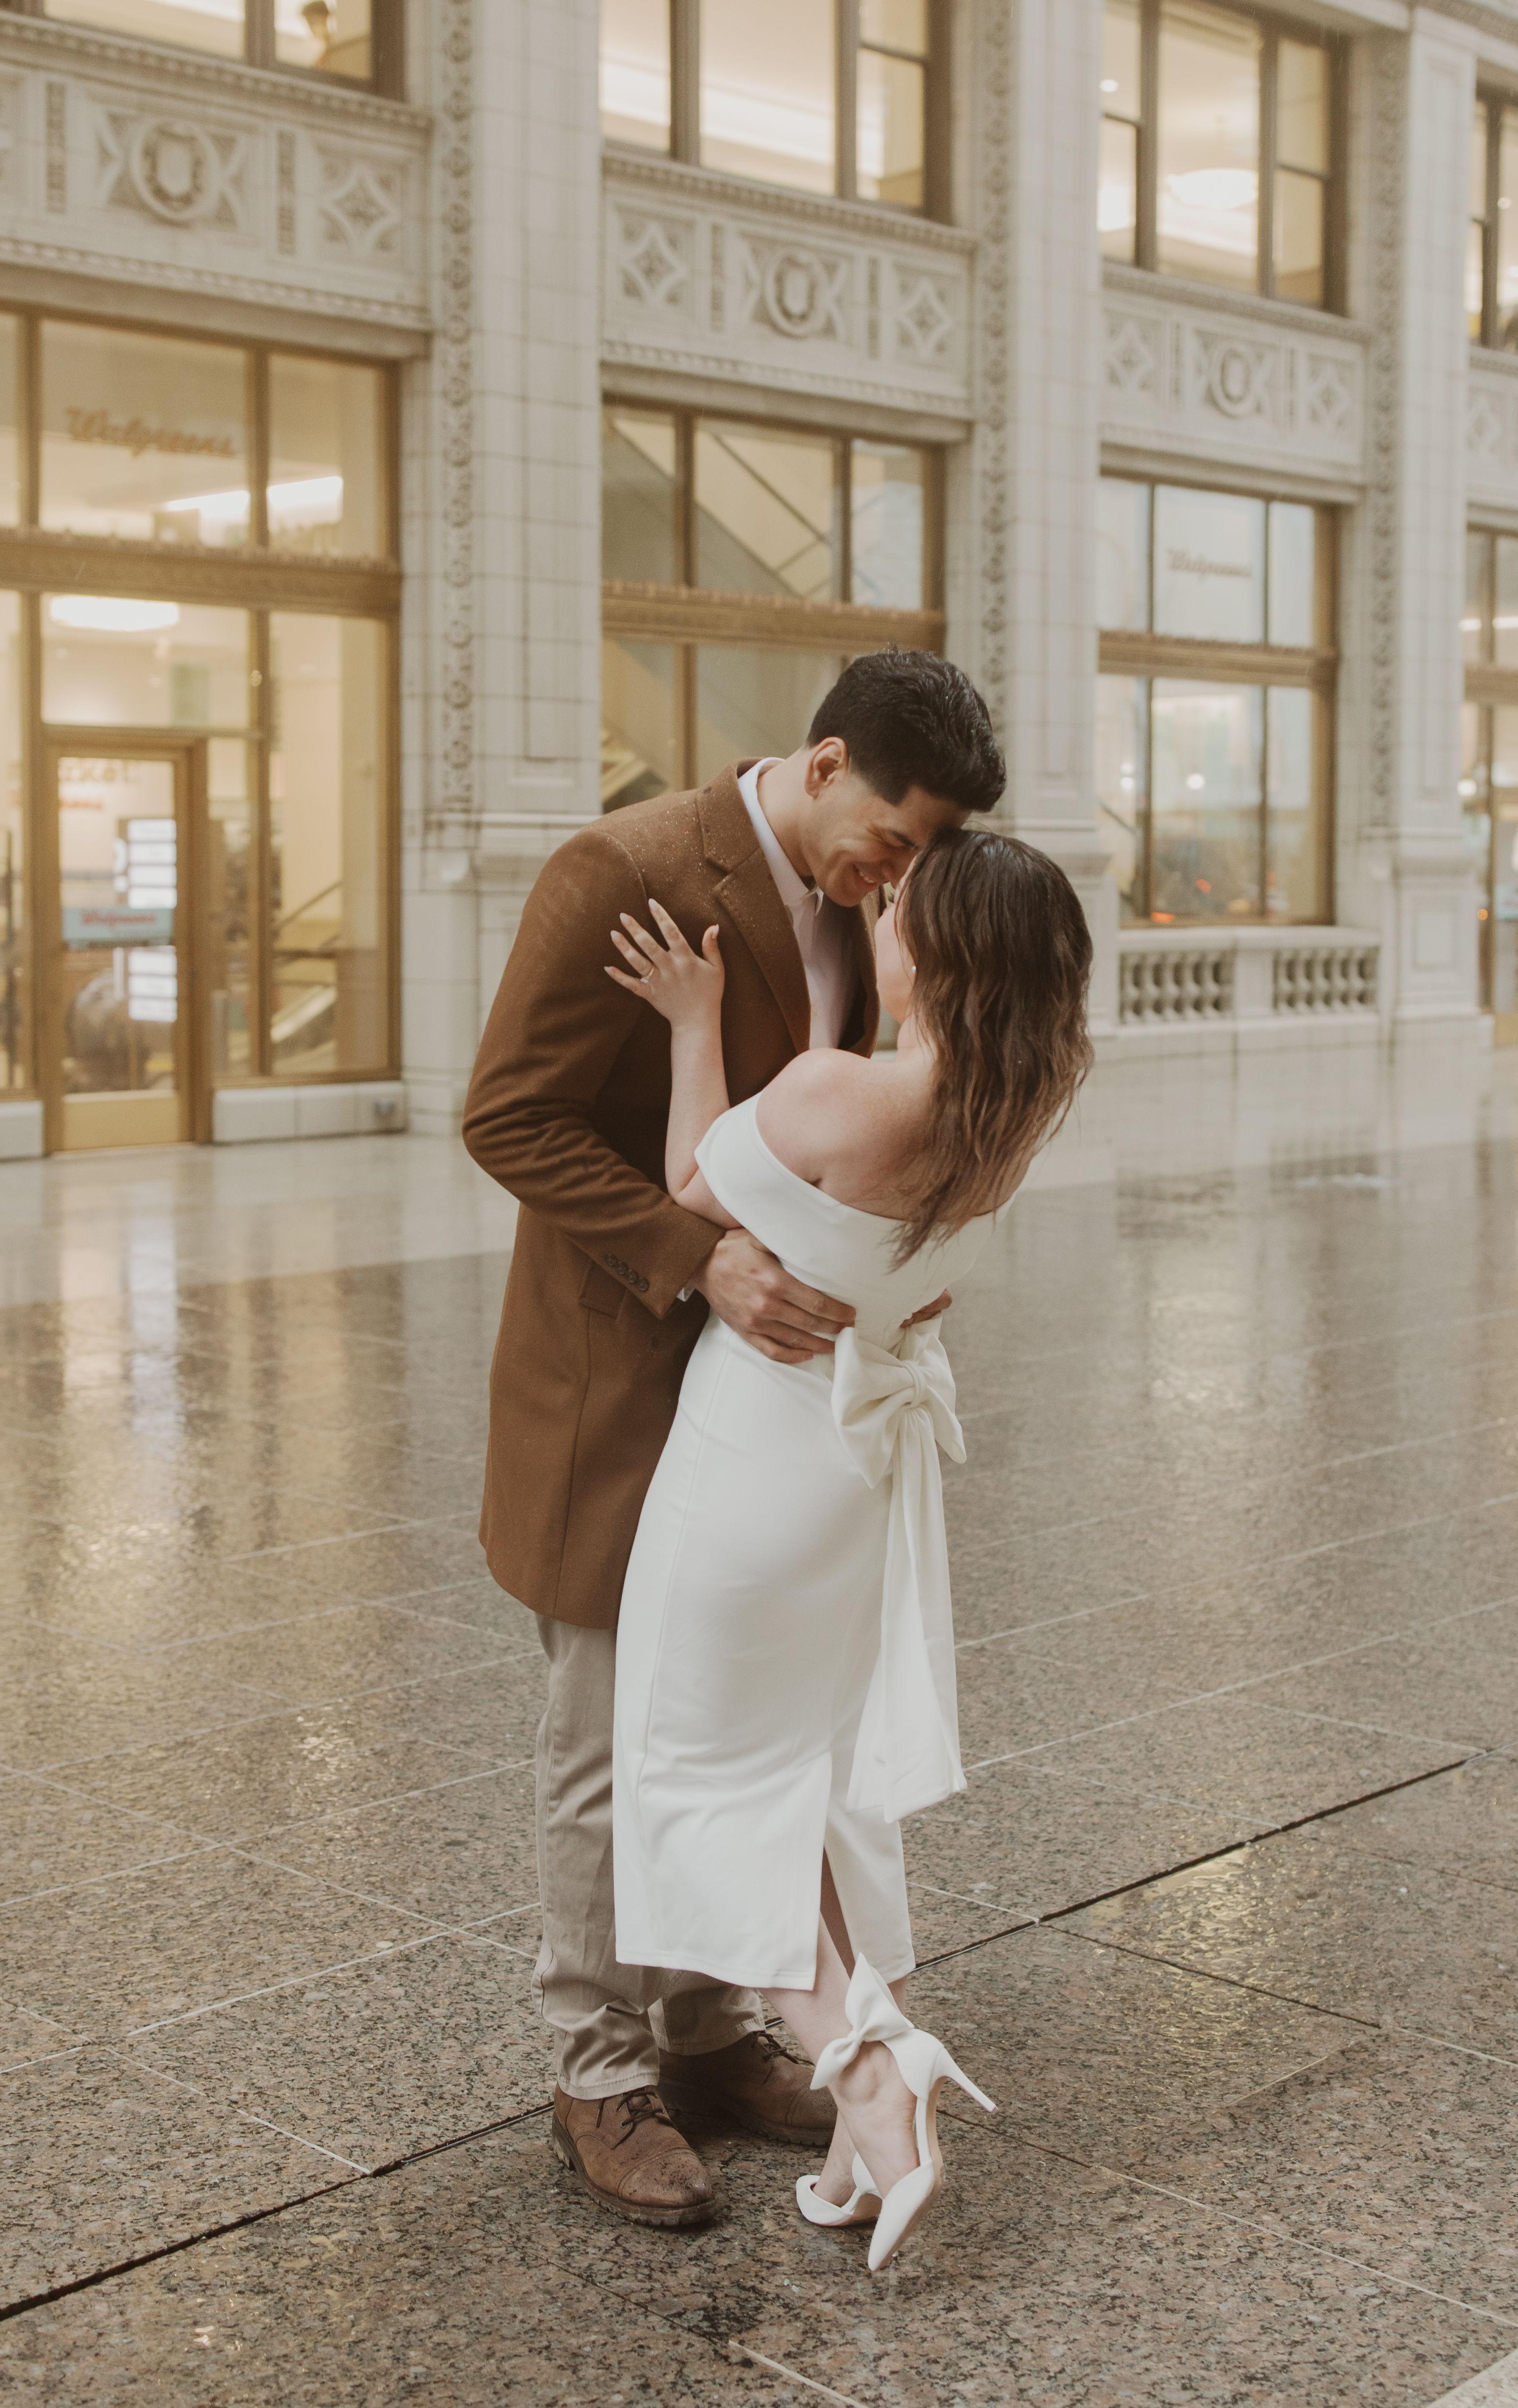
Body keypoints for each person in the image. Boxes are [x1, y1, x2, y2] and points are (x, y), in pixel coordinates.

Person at [460, 649, 1006, 2230]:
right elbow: (509, 1114)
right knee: (606, 1738)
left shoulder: (872, 907)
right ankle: (597, 2066)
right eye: (891, 840)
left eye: (920, 858)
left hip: (776, 1406)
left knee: (751, 1724)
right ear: (824, 761)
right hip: (620, 1379)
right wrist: (696, 1253)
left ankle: (704, 2034)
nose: (897, 879)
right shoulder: (618, 869)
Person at [601, 826, 1094, 2270]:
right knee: (802, 1783)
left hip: (753, 1460)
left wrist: (696, 1024)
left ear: (930, 957)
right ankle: (849, 2138)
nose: (874, 919)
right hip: (855, 1475)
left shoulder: (836, 1093)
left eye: (894, 912)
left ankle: (874, 2071)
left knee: (696, 1778)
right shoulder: (1018, 1105)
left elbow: (696, 1185)